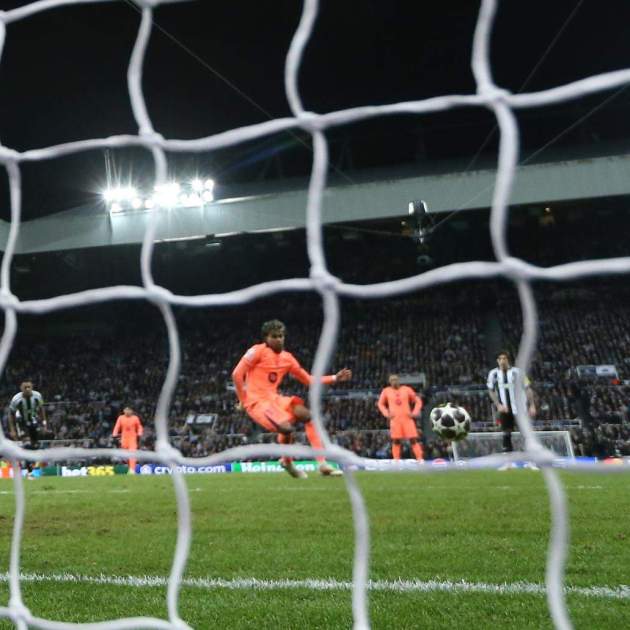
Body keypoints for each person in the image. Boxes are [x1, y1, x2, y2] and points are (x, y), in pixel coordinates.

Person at [232, 319, 351, 478]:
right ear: (266, 338)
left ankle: (322, 464)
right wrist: (243, 399)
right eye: (274, 336)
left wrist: (335, 377)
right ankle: (287, 462)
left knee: (307, 415)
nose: (279, 339)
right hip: (257, 403)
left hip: (275, 399)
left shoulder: (287, 358)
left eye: (281, 336)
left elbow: (308, 380)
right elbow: (237, 374)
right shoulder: (257, 351)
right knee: (286, 429)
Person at [486, 350, 537, 470]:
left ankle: (531, 462)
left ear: (508, 360)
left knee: (527, 435)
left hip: (521, 410)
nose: (502, 361)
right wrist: (498, 405)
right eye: (500, 359)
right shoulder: (493, 374)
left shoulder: (518, 372)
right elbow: (491, 390)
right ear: (497, 361)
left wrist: (532, 405)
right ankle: (508, 463)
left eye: (504, 358)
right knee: (506, 435)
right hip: (505, 410)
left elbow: (528, 389)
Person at [377, 374, 424, 461]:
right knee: (396, 440)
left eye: (395, 379)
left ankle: (420, 458)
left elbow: (418, 401)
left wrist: (415, 412)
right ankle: (396, 460)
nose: (394, 381)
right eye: (392, 380)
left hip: (407, 419)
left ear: (398, 380)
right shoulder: (386, 391)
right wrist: (386, 414)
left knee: (413, 439)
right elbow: (380, 404)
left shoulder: (406, 389)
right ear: (389, 382)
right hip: (395, 420)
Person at [8, 381, 47, 479]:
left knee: (34, 446)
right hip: (21, 422)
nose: (27, 389)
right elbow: (11, 414)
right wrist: (12, 430)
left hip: (33, 421)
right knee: (27, 444)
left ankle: (31, 467)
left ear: (32, 387)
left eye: (29, 387)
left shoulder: (37, 396)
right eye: (25, 388)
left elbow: (41, 409)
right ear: (21, 389)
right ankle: (29, 472)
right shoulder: (16, 399)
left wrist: (44, 424)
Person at [112, 407, 143, 474]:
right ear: (124, 411)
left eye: (129, 410)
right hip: (124, 440)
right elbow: (117, 426)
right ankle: (130, 468)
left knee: (132, 454)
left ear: (132, 411)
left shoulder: (135, 418)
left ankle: (132, 470)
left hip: (132, 439)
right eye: (126, 410)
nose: (127, 411)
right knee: (126, 456)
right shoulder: (121, 418)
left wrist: (139, 433)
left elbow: (139, 426)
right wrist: (114, 434)